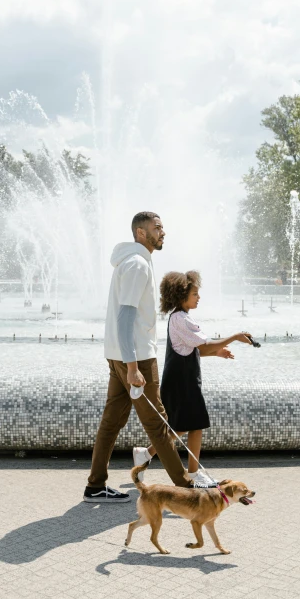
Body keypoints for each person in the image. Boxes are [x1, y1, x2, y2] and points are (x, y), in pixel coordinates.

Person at [84, 212, 204, 503]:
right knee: (158, 424)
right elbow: (126, 318)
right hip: (135, 358)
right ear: (140, 232)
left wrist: (125, 362)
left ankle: (95, 485)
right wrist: (134, 367)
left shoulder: (132, 261)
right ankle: (186, 490)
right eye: (157, 228)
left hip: (119, 356)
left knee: (111, 422)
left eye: (163, 227)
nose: (163, 232)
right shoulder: (137, 264)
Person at [133, 270, 256, 484]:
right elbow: (204, 344)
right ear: (182, 296)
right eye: (195, 294)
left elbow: (196, 348)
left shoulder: (181, 317)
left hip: (182, 379)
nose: (198, 298)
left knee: (186, 425)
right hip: (182, 382)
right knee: (195, 424)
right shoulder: (181, 319)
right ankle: (192, 474)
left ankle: (147, 454)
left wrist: (217, 352)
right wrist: (235, 337)